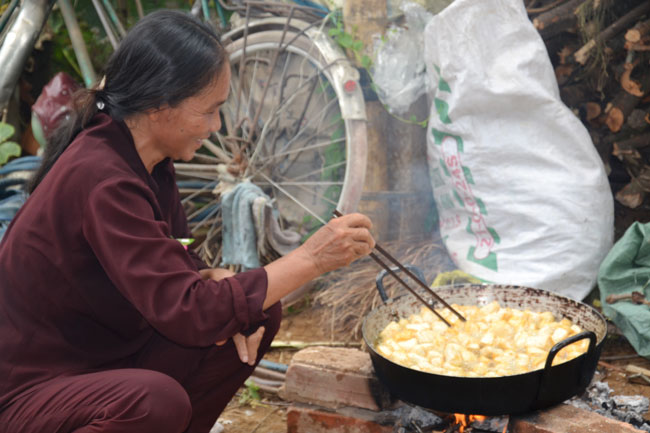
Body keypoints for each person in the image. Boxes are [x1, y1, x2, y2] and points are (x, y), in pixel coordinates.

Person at [0, 10, 374, 433]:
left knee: (257, 311)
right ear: (160, 105)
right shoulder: (102, 178)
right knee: (156, 402)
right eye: (210, 111)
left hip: (103, 356)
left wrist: (204, 274)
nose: (216, 127)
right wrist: (312, 258)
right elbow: (189, 312)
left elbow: (171, 258)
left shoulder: (149, 160)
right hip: (32, 390)